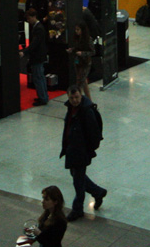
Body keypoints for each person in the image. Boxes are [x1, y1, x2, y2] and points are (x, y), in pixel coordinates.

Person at [61, 85, 106, 221]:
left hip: (80, 151)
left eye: (77, 97)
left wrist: (88, 150)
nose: (74, 100)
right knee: (75, 174)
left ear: (81, 96)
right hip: (72, 149)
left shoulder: (86, 111)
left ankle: (77, 209)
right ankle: (98, 192)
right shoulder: (71, 109)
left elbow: (94, 134)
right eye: (72, 98)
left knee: (78, 181)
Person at [21, 9, 49, 106]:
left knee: (38, 77)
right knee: (40, 77)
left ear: (33, 17)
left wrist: (25, 52)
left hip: (37, 57)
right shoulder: (39, 27)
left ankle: (42, 98)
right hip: (39, 56)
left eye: (29, 18)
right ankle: (43, 96)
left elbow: (35, 44)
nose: (28, 21)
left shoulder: (38, 29)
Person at [67, 22, 95, 99]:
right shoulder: (77, 38)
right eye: (76, 29)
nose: (76, 31)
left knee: (80, 82)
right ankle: (88, 99)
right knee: (82, 80)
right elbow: (77, 48)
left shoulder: (88, 39)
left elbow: (93, 52)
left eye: (78, 29)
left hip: (85, 62)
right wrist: (72, 50)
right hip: (78, 61)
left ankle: (79, 98)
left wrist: (82, 53)